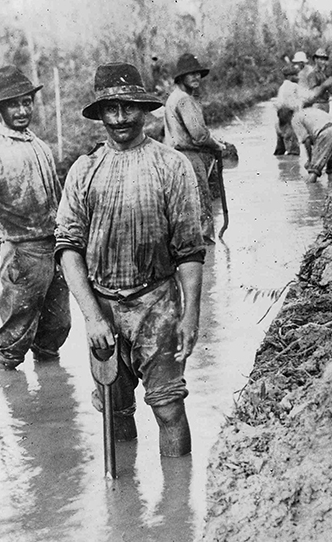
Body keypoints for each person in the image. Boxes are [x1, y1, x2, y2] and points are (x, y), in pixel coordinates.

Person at [55, 62, 206, 457]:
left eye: (128, 106)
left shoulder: (172, 165)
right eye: (111, 108)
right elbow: (68, 249)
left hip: (157, 303)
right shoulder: (84, 170)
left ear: (143, 108)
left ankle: (177, 506)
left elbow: (189, 250)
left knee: (169, 406)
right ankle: (125, 507)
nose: (120, 117)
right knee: (114, 410)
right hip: (102, 305)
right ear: (100, 114)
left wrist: (191, 314)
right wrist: (91, 316)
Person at [0, 66, 71, 371]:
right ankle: (8, 393)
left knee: (57, 327)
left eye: (27, 102)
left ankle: (53, 397)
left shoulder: (40, 147)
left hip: (54, 246)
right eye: (14, 104)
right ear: (1, 109)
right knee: (15, 334)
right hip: (21, 252)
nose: (23, 110)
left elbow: (58, 196)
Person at [163, 53, 226, 243]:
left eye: (198, 73)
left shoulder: (174, 97)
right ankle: (206, 248)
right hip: (189, 156)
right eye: (191, 74)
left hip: (174, 156)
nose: (196, 77)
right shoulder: (184, 100)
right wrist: (218, 145)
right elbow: (199, 135)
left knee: (183, 204)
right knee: (201, 202)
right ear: (181, 77)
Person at [298, 48, 331, 112]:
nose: (323, 62)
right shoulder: (312, 74)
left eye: (324, 60)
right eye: (321, 59)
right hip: (317, 105)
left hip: (326, 103)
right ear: (316, 60)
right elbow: (314, 93)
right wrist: (325, 85)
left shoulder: (323, 73)